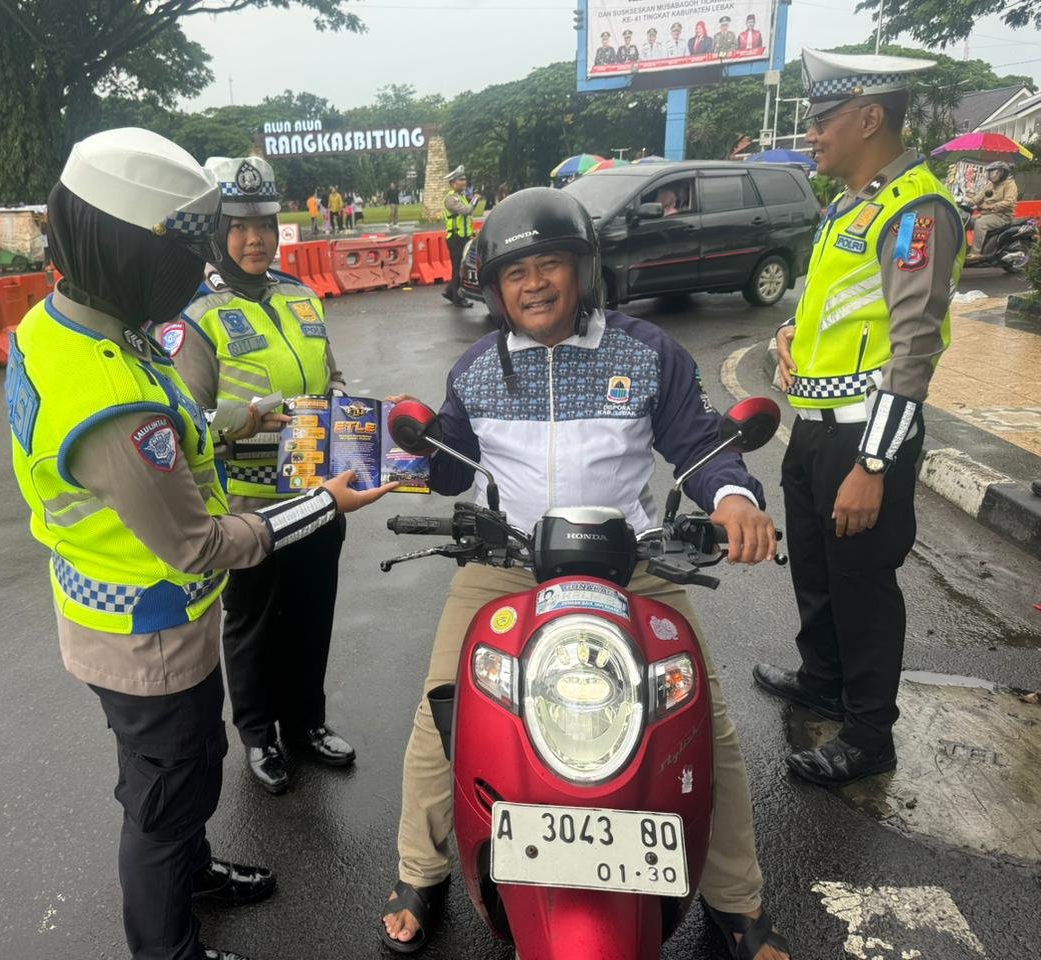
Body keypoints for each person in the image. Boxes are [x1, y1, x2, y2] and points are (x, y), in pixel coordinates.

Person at [5, 128, 394, 960]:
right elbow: (198, 543)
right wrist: (324, 504)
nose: (202, 267)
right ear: (133, 250)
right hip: (146, 629)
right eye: (192, 248)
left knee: (181, 768)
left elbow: (182, 424)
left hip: (131, 614)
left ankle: (193, 871)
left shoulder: (69, 324)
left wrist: (236, 420)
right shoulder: (112, 400)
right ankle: (169, 947)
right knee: (166, 796)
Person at [380, 187, 790, 960]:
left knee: (703, 720)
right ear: (495, 290)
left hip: (634, 563)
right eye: (516, 273)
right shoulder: (476, 368)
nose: (534, 284)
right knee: (443, 712)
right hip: (506, 564)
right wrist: (404, 445)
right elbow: (449, 465)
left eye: (550, 265)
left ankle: (736, 899)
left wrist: (734, 498)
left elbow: (700, 444)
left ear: (584, 270)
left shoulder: (648, 353)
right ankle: (420, 872)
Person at [756, 49, 964, 789]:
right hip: (814, 427)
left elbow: (913, 349)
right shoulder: (851, 204)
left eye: (823, 121)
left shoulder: (915, 211)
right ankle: (823, 680)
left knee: (863, 586)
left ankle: (870, 735)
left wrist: (872, 465)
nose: (812, 135)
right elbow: (837, 309)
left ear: (870, 118)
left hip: (864, 434)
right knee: (816, 567)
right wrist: (787, 336)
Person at [153, 154, 357, 795]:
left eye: (264, 224)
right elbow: (184, 420)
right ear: (218, 232)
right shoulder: (195, 315)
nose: (254, 239)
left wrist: (344, 407)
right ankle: (259, 734)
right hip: (248, 503)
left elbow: (332, 375)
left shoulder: (301, 296)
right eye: (238, 226)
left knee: (312, 612)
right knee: (253, 623)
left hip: (318, 490)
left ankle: (306, 721)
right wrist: (238, 421)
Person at [441, 165, 479, 309]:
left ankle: (449, 291)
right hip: (456, 238)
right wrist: (474, 200)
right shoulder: (451, 199)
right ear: (452, 183)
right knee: (458, 269)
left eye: (464, 179)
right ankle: (458, 298)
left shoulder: (460, 197)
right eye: (460, 180)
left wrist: (471, 233)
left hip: (464, 237)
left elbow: (466, 220)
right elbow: (466, 211)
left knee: (460, 267)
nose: (464, 182)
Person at [967, 161, 1018, 255]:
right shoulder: (991, 184)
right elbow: (979, 197)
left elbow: (1009, 202)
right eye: (989, 172)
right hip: (987, 214)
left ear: (1002, 173)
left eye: (993, 172)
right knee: (966, 221)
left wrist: (990, 206)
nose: (990, 175)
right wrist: (967, 201)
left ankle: (975, 253)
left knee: (980, 223)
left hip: (1002, 216)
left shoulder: (1010, 185)